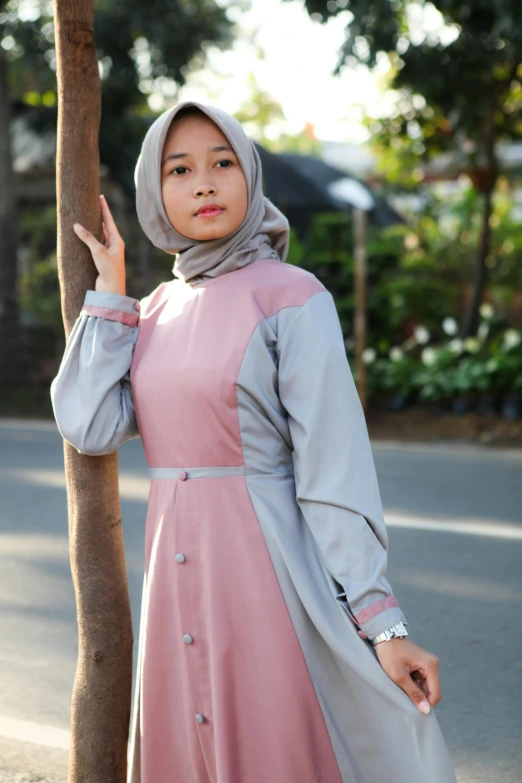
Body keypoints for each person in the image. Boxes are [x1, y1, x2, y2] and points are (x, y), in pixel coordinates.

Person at [50, 101, 457, 783]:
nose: (204, 183)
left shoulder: (293, 298)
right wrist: (112, 291)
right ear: (156, 191)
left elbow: (335, 472)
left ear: (250, 175)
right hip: (172, 581)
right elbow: (89, 424)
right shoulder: (150, 313)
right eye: (180, 170)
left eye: (222, 163)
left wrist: (383, 623)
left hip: (269, 576)